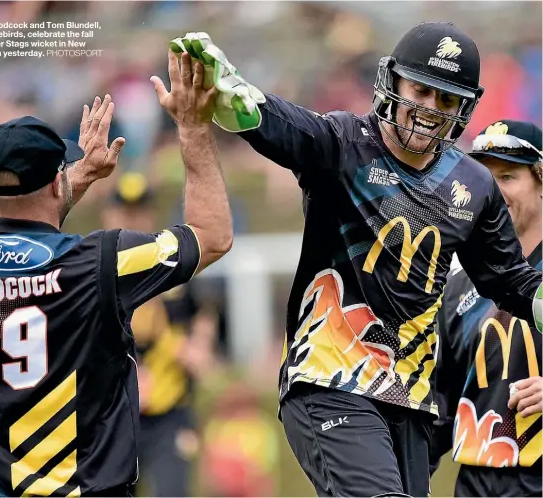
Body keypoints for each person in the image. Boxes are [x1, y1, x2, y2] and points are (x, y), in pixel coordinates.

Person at [172, 22, 543, 497]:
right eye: (422, 90)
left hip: (409, 396)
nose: (430, 109)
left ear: (464, 107)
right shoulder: (345, 143)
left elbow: (511, 281)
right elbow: (282, 125)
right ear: (394, 81)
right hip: (331, 379)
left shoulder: (474, 185)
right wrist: (235, 97)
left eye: (446, 100)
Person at [0, 50, 231, 497]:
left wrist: (72, 178)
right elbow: (211, 235)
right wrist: (194, 127)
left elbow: (20, 236)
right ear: (57, 182)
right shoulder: (100, 263)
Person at [431, 120, 542, 497]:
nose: (493, 192)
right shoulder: (457, 287)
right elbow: (440, 406)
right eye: (484, 180)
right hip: (475, 484)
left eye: (507, 177)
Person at [101, 172, 219, 497]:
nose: (132, 219)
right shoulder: (99, 271)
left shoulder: (172, 267)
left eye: (139, 210)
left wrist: (197, 346)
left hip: (171, 414)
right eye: (125, 211)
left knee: (173, 490)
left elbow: (204, 311)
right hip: (118, 416)